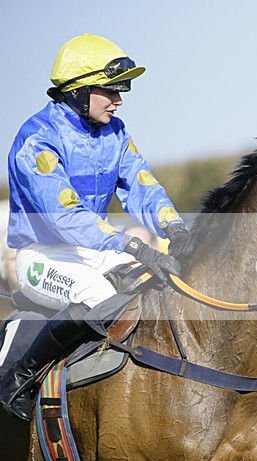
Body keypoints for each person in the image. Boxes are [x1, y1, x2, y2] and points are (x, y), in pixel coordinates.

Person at [0, 34, 191, 422]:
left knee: (156, 287)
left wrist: (177, 230)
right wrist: (134, 247)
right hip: (42, 256)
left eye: (123, 90)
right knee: (98, 296)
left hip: (96, 251)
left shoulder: (116, 133)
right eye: (111, 91)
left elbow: (142, 186)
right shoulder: (37, 138)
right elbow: (66, 218)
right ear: (78, 90)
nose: (119, 100)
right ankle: (16, 379)